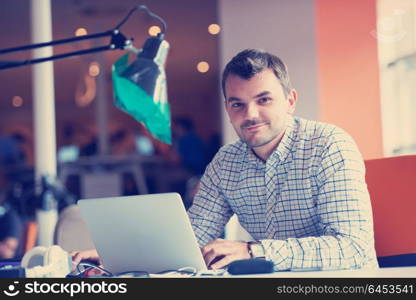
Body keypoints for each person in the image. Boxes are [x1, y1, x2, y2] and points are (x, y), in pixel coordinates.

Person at [72, 49, 378, 272]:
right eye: (238, 104)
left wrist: (252, 251)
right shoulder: (227, 162)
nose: (251, 114)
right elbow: (191, 237)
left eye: (264, 100)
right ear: (228, 108)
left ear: (291, 101)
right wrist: (117, 256)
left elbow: (352, 247)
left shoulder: (329, 145)